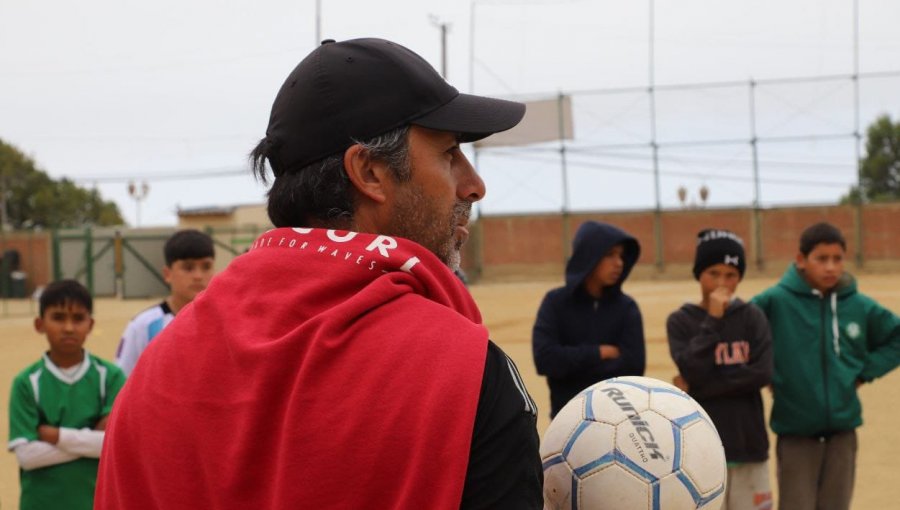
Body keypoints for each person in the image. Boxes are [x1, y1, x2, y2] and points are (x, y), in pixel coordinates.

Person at [95, 38, 542, 509]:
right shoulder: (466, 373)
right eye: (449, 152)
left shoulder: (156, 370)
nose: (473, 185)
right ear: (369, 173)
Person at [751, 222, 900, 510]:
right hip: (796, 434)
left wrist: (864, 372)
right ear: (801, 260)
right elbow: (741, 329)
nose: (831, 267)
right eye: (821, 259)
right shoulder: (775, 301)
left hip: (843, 435)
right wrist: (765, 371)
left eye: (837, 259)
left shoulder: (858, 305)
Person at [666, 229, 773, 510]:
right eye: (713, 273)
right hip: (701, 451)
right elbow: (691, 367)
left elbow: (762, 373)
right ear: (698, 273)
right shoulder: (681, 321)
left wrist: (699, 387)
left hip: (748, 445)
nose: (722, 282)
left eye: (731, 275)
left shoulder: (752, 316)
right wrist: (713, 319)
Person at [7, 280, 126, 510]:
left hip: (94, 503)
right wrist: (91, 440)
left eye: (78, 319)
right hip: (40, 504)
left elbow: (114, 445)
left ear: (90, 324)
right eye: (59, 318)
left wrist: (56, 435)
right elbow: (27, 456)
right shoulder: (26, 382)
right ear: (40, 324)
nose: (69, 328)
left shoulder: (110, 377)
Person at [532, 220, 645, 418]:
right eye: (610, 255)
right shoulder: (555, 302)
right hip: (568, 422)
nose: (619, 263)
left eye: (621, 255)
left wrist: (570, 367)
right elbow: (546, 360)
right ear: (588, 256)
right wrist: (598, 353)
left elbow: (633, 367)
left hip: (618, 421)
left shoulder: (627, 308)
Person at [115, 229, 215, 375]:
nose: (198, 276)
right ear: (167, 274)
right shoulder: (142, 326)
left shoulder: (225, 322)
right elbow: (123, 379)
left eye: (206, 267)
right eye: (188, 267)